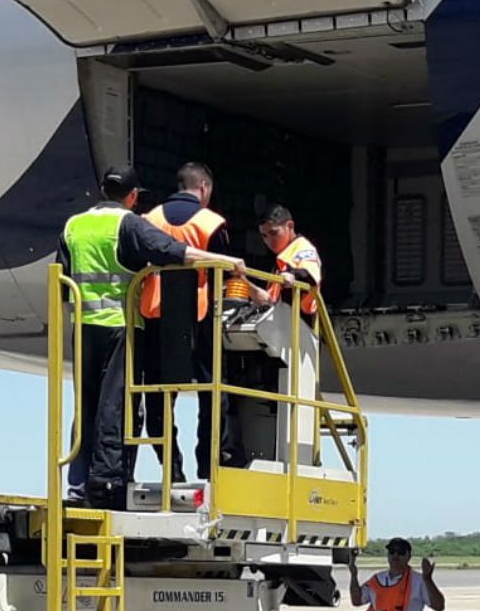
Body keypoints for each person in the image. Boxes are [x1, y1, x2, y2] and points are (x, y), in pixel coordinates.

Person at [57, 165, 244, 509]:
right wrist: (225, 261)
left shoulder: (74, 224)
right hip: (120, 325)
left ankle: (78, 483)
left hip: (82, 327)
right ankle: (107, 484)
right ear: (131, 197)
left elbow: (62, 276)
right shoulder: (127, 223)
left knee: (86, 406)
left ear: (102, 190)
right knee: (117, 406)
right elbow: (174, 252)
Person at [138, 162, 242, 482]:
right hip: (199, 317)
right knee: (212, 393)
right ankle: (208, 463)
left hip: (155, 315)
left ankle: (171, 467)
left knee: (157, 394)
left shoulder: (147, 219)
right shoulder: (212, 223)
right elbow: (221, 273)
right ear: (204, 188)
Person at [248, 203, 322, 318]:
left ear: (290, 226)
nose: (269, 241)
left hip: (301, 326)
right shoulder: (281, 258)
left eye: (273, 233)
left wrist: (292, 275)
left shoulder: (303, 247)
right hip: (280, 323)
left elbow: (309, 276)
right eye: (264, 236)